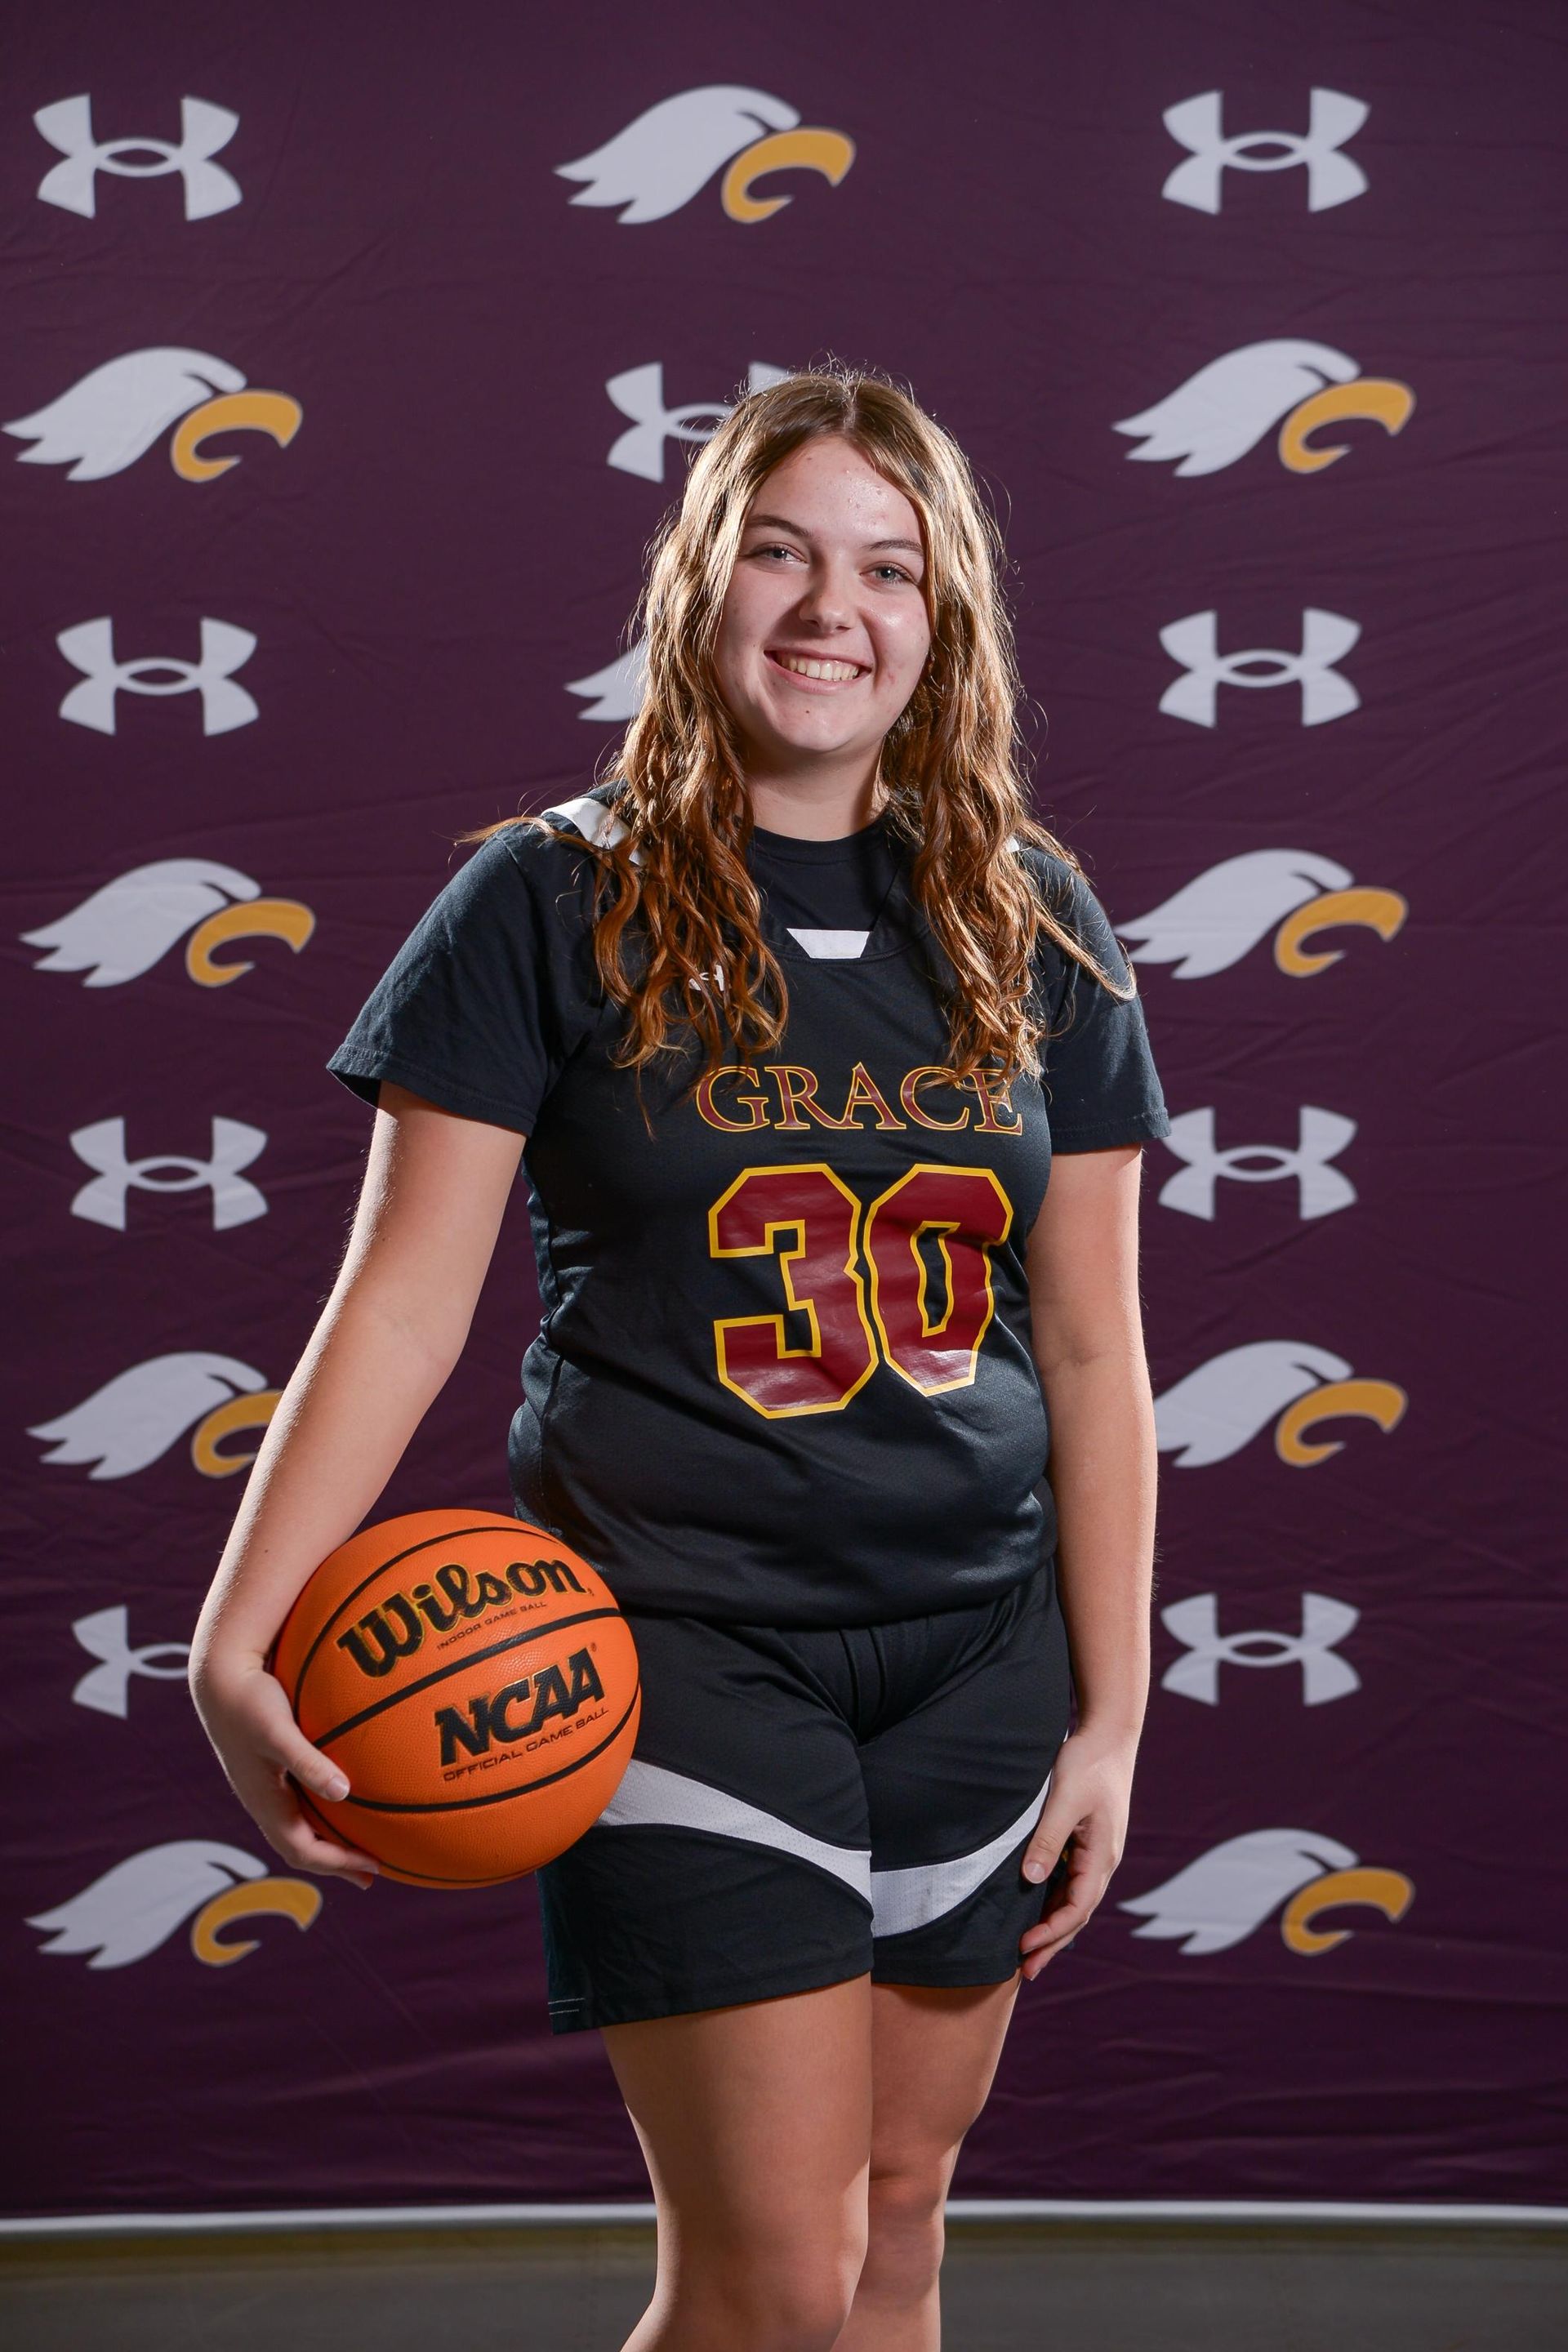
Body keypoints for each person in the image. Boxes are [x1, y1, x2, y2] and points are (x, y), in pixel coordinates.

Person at [189, 365, 1172, 2352]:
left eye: (889, 569)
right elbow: (403, 1292)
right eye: (785, 553)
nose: (835, 608)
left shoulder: (1033, 919)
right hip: (681, 1648)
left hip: (976, 1655)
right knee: (770, 2291)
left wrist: (1114, 1711)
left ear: (944, 623)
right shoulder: (546, 901)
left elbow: (1088, 1337)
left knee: (898, 2240)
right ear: (700, 588)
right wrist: (235, 1633)